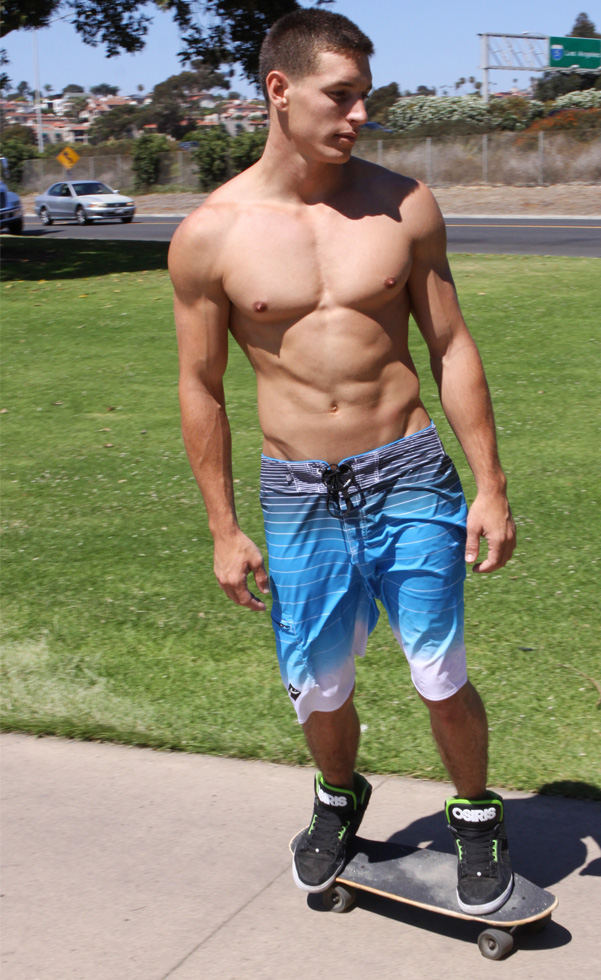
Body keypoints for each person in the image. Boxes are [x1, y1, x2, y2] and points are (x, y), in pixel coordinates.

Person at [169, 8, 516, 915]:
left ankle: (475, 815)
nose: (360, 114)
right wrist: (222, 527)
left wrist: (489, 484)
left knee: (438, 670)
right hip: (299, 495)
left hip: (408, 472)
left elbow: (450, 345)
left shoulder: (403, 205)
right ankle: (337, 796)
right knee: (319, 686)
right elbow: (201, 388)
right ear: (279, 90)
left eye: (365, 96)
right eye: (341, 95)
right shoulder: (210, 234)